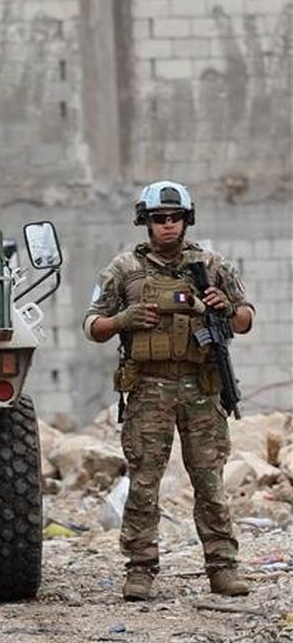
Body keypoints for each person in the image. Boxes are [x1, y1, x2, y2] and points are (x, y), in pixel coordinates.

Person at [83, 181, 254, 602]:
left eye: (175, 218)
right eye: (159, 219)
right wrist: (124, 319)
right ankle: (140, 569)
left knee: (210, 481)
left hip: (200, 385)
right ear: (146, 222)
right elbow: (92, 326)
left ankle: (222, 567)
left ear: (186, 220)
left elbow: (246, 319)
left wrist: (224, 308)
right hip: (148, 387)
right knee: (143, 481)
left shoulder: (212, 265)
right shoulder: (124, 270)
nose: (168, 226)